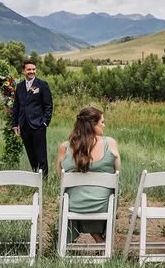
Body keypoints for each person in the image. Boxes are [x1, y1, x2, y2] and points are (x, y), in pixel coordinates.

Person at [57, 106, 120, 244]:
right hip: (102, 204)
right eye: (102, 122)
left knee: (75, 196)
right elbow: (117, 174)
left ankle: (97, 240)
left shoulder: (65, 147)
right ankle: (102, 242)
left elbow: (60, 178)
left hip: (73, 204)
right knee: (105, 196)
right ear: (93, 124)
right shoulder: (110, 143)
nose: (104, 125)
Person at [12, 60, 54, 177]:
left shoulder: (42, 84)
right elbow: (16, 107)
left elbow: (48, 105)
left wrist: (45, 122)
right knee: (31, 154)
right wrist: (15, 124)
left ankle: (43, 180)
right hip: (24, 125)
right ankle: (35, 177)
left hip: (38, 125)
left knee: (41, 155)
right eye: (29, 69)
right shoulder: (19, 87)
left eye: (33, 69)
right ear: (23, 71)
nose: (32, 71)